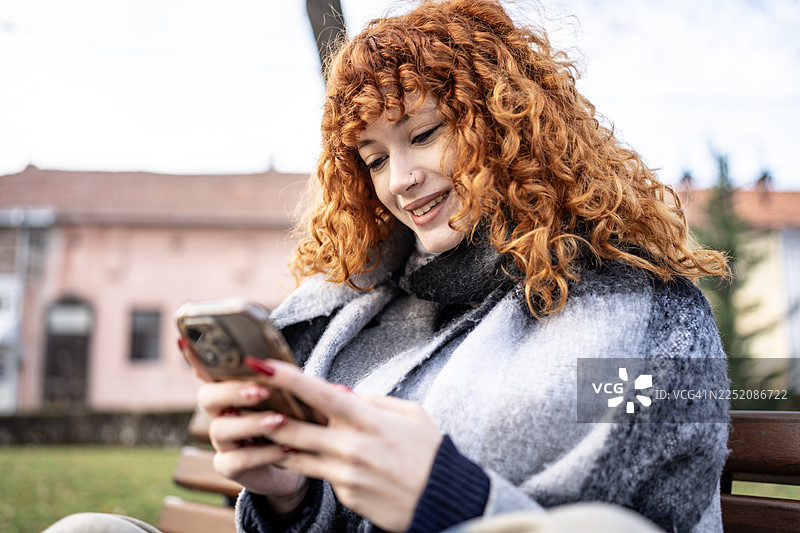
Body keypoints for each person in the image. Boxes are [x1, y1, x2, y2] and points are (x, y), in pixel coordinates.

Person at [44, 1, 730, 532]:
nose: (399, 179)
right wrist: (288, 492)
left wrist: (446, 497)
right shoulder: (366, 312)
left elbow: (629, 520)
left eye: (423, 134)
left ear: (503, 121)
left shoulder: (649, 318)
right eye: (373, 158)